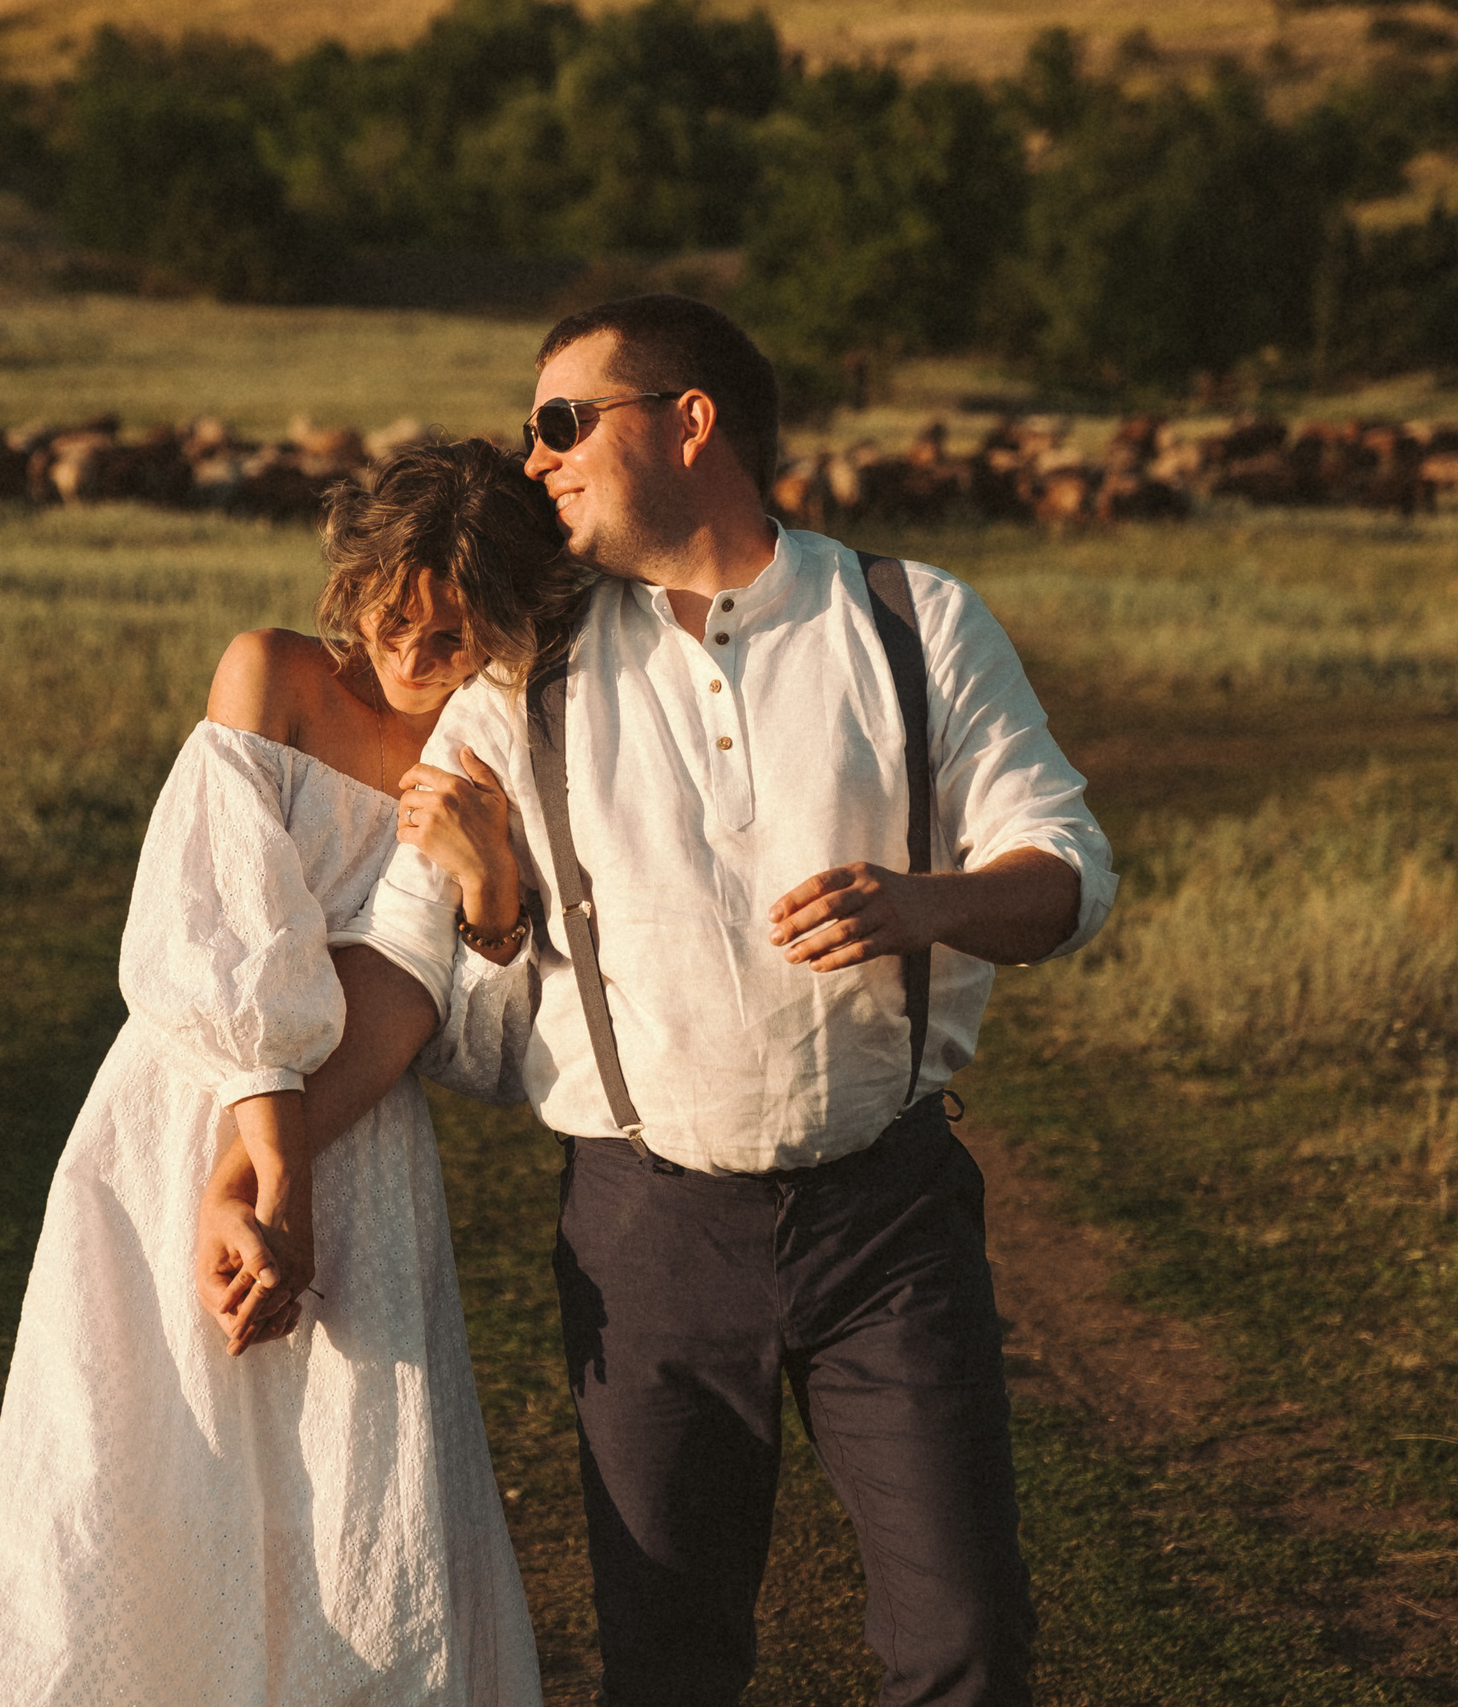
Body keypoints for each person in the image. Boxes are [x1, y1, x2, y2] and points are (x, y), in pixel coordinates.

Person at [312, 295, 1120, 1706]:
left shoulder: (913, 618)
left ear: (692, 421)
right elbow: (416, 962)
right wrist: (271, 1136)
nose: (539, 456)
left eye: (564, 421)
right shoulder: (527, 672)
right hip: (646, 1236)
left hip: (892, 1219)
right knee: (668, 1662)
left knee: (968, 1641)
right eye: (531, 430)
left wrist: (928, 901)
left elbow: (1070, 867)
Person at [0, 439, 578, 1705]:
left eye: (455, 637)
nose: (416, 658)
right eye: (398, 620)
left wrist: (494, 886)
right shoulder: (272, 673)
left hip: (362, 1139)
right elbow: (214, 929)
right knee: (133, 1453)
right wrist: (261, 1169)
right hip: (183, 1109)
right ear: (355, 586)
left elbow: (453, 1027)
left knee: (356, 1492)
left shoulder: (490, 738)